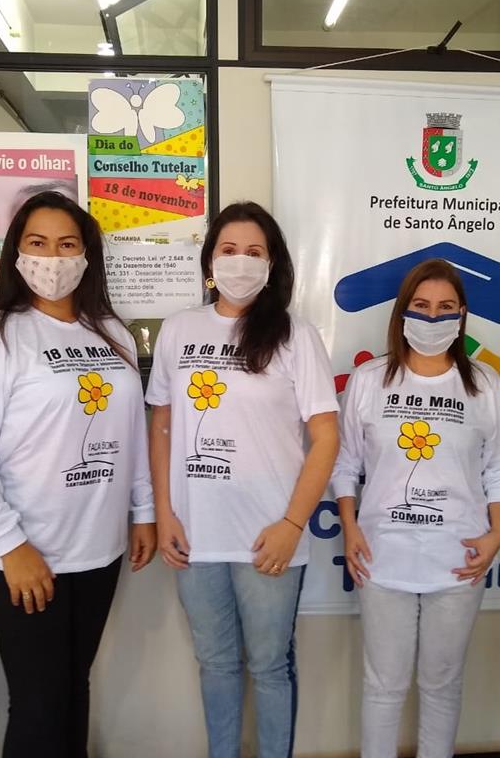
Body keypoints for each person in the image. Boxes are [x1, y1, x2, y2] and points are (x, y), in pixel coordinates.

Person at [0, 191, 156, 757]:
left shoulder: (112, 332)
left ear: (87, 256)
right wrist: (11, 546)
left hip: (99, 549)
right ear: (17, 253)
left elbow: (131, 433)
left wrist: (144, 512)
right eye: (38, 243)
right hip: (27, 554)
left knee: (72, 687)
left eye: (67, 244)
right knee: (36, 702)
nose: (52, 258)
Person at [147, 201, 339, 758]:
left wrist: (292, 524)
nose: (240, 261)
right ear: (210, 261)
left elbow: (325, 438)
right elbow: (162, 422)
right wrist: (163, 512)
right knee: (215, 663)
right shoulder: (180, 329)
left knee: (270, 666)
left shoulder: (295, 336)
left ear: (272, 264)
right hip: (195, 534)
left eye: (254, 252)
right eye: (229, 250)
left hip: (269, 537)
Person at [333, 258, 500, 758]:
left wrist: (496, 532)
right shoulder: (370, 381)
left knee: (442, 685)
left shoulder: (484, 385)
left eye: (445, 308)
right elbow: (346, 463)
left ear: (462, 315)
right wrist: (350, 528)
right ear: (402, 312)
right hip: (381, 555)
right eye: (421, 306)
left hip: (459, 558)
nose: (433, 318)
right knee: (384, 685)